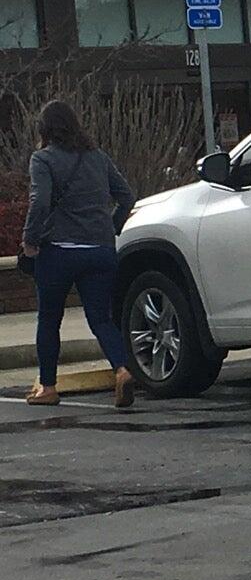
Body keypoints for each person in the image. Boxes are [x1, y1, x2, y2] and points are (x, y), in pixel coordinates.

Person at [20, 100, 137, 409]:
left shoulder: (43, 159)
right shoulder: (98, 157)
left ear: (44, 129)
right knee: (101, 318)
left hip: (58, 252)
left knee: (49, 320)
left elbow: (40, 202)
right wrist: (111, 228)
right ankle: (122, 370)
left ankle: (48, 387)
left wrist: (30, 241)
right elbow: (127, 196)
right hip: (100, 251)